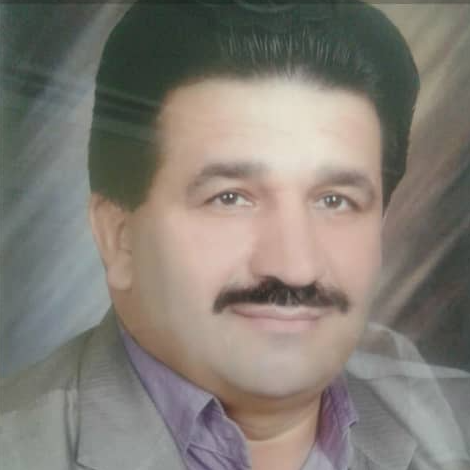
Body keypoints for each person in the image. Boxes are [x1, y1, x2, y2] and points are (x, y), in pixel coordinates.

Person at [1, 1, 469, 469]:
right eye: (230, 198)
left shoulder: (449, 416)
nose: (294, 267)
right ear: (118, 237)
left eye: (334, 200)